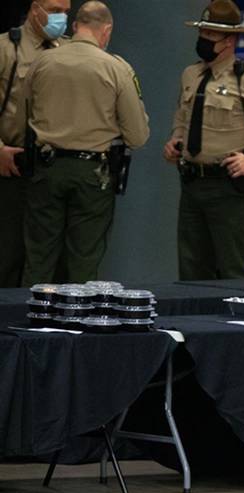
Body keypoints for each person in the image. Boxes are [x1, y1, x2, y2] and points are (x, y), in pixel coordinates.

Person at [21, 1, 149, 286]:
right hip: (93, 175)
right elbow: (137, 135)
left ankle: (29, 324)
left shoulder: (43, 62)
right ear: (107, 30)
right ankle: (76, 325)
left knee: (39, 257)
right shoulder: (116, 69)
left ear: (75, 25)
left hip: (45, 169)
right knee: (83, 259)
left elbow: (24, 113)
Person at [163, 0, 244, 281]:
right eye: (202, 34)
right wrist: (175, 141)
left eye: (210, 36)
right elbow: (182, 118)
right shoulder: (190, 74)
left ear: (229, 41)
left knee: (234, 266)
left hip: (228, 186)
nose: (203, 41)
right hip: (192, 181)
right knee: (191, 266)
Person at [0, 0, 70, 287]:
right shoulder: (6, 48)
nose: (60, 18)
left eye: (66, 12)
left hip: (55, 170)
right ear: (34, 9)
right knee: (9, 255)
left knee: (51, 260)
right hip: (12, 167)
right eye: (54, 10)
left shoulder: (69, 51)